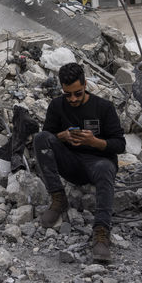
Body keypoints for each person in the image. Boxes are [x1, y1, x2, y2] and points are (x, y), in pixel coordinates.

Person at [33, 62, 125, 263]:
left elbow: (119, 145)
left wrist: (95, 142)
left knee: (104, 167)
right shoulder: (57, 105)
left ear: (86, 86)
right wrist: (62, 137)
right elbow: (48, 135)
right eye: (68, 94)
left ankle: (101, 232)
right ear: (62, 90)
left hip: (98, 163)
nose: (73, 99)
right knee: (40, 139)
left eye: (78, 93)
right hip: (71, 163)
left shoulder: (104, 108)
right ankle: (58, 199)